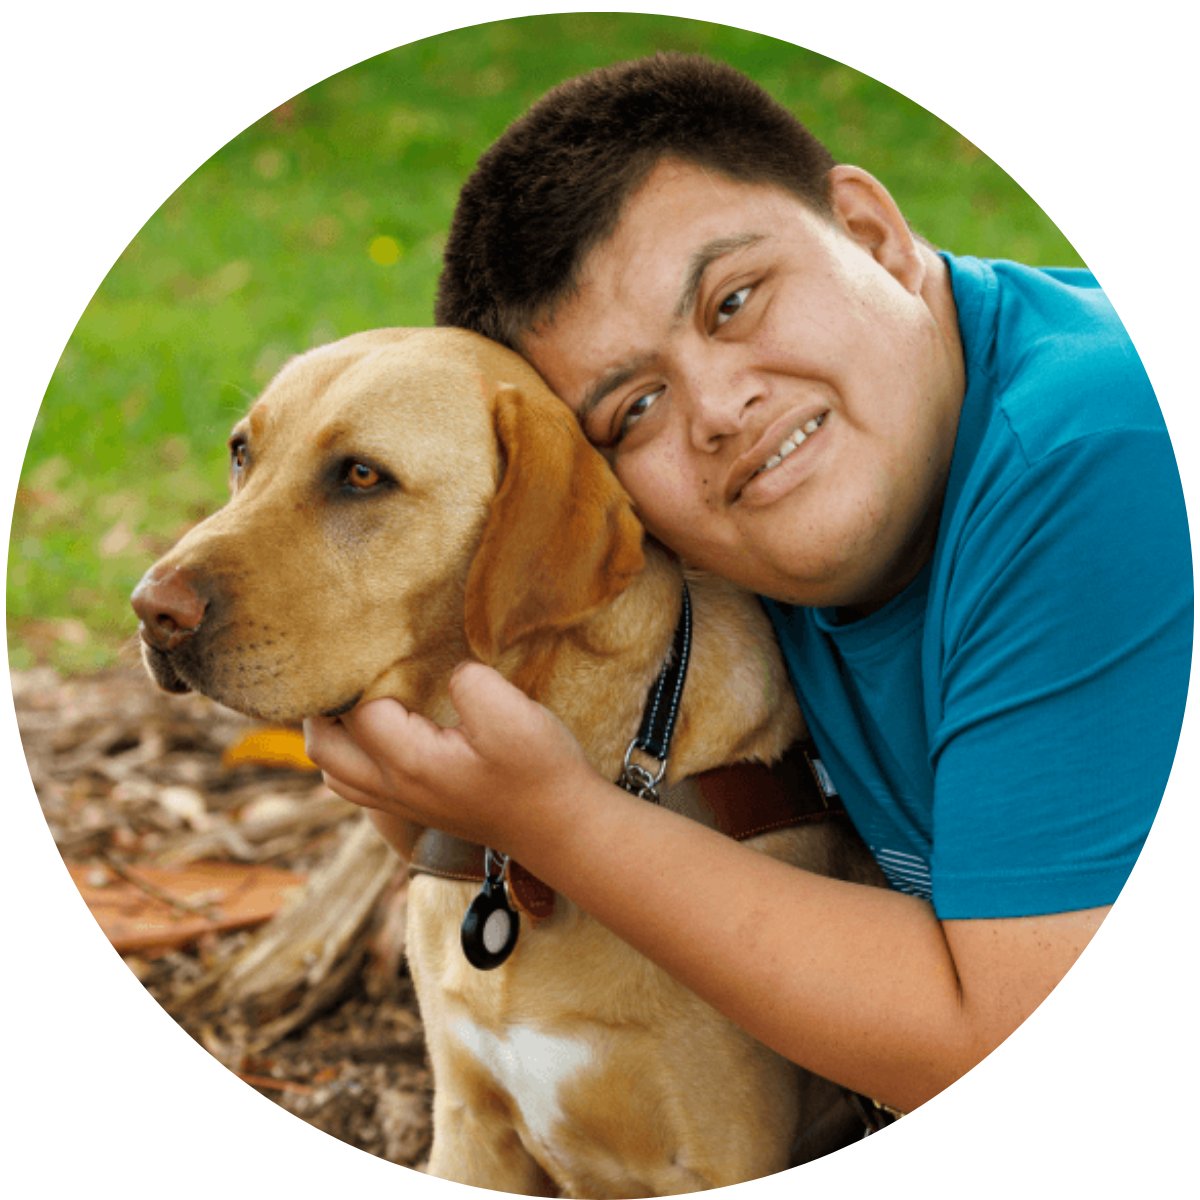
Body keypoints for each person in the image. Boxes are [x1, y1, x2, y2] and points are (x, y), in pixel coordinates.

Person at [302, 54, 1190, 1116]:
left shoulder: (1095, 452)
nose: (718, 408)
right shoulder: (736, 519)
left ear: (872, 234)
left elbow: (995, 1034)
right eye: (633, 406)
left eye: (734, 300)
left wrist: (560, 823)